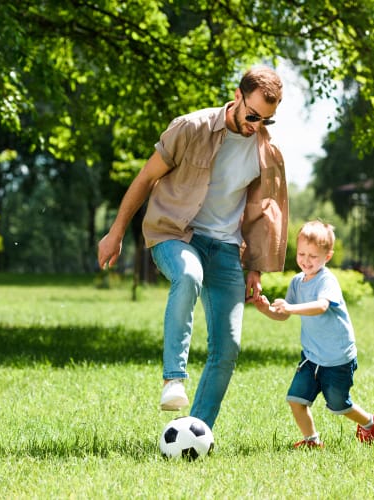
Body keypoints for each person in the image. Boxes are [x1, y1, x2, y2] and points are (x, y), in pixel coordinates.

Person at [98, 66, 288, 429]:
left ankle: (196, 432)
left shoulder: (268, 151)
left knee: (228, 347)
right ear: (237, 95)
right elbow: (146, 177)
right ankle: (173, 379)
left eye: (267, 120)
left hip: (226, 248)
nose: (256, 125)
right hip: (175, 233)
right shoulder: (191, 127)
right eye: (252, 115)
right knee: (188, 275)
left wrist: (256, 268)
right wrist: (116, 232)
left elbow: (264, 213)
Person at [254, 220, 374, 447]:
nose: (306, 260)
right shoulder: (297, 282)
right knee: (295, 399)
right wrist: (267, 310)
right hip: (312, 356)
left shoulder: (327, 280)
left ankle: (370, 422)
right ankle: (312, 441)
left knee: (338, 405)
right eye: (302, 254)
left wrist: (291, 308)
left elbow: (321, 306)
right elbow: (283, 315)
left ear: (328, 256)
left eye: (313, 256)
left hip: (337, 358)